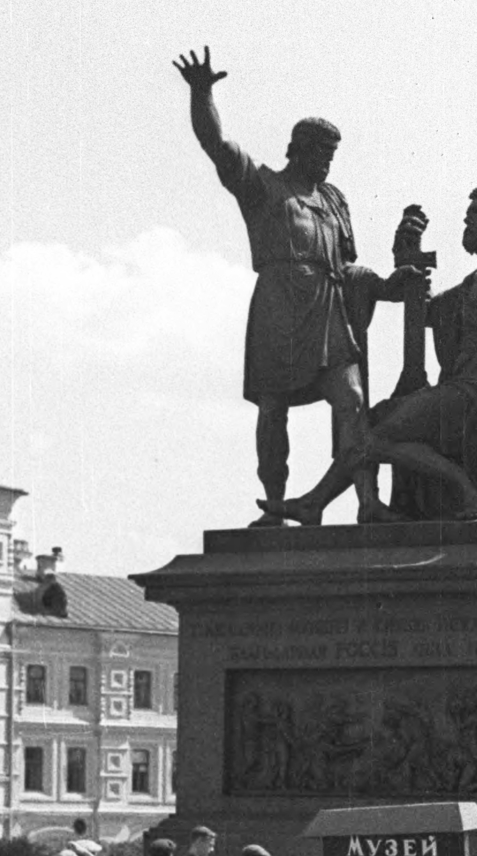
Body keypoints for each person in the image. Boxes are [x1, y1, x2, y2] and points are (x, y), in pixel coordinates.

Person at [173, 46, 416, 527]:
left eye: (332, 154)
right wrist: (202, 94)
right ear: (297, 150)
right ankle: (276, 507)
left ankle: (368, 502)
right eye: (320, 153)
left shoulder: (333, 201)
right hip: (278, 309)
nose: (327, 162)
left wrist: (388, 285)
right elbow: (217, 145)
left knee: (352, 401)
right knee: (272, 409)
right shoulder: (263, 187)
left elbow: (348, 269)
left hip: (327, 313)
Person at [280, 185, 477, 526]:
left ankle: (464, 485)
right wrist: (407, 260)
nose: (467, 218)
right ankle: (315, 502)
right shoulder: (473, 282)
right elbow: (423, 314)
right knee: (369, 420)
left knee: (374, 438)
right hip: (463, 388)